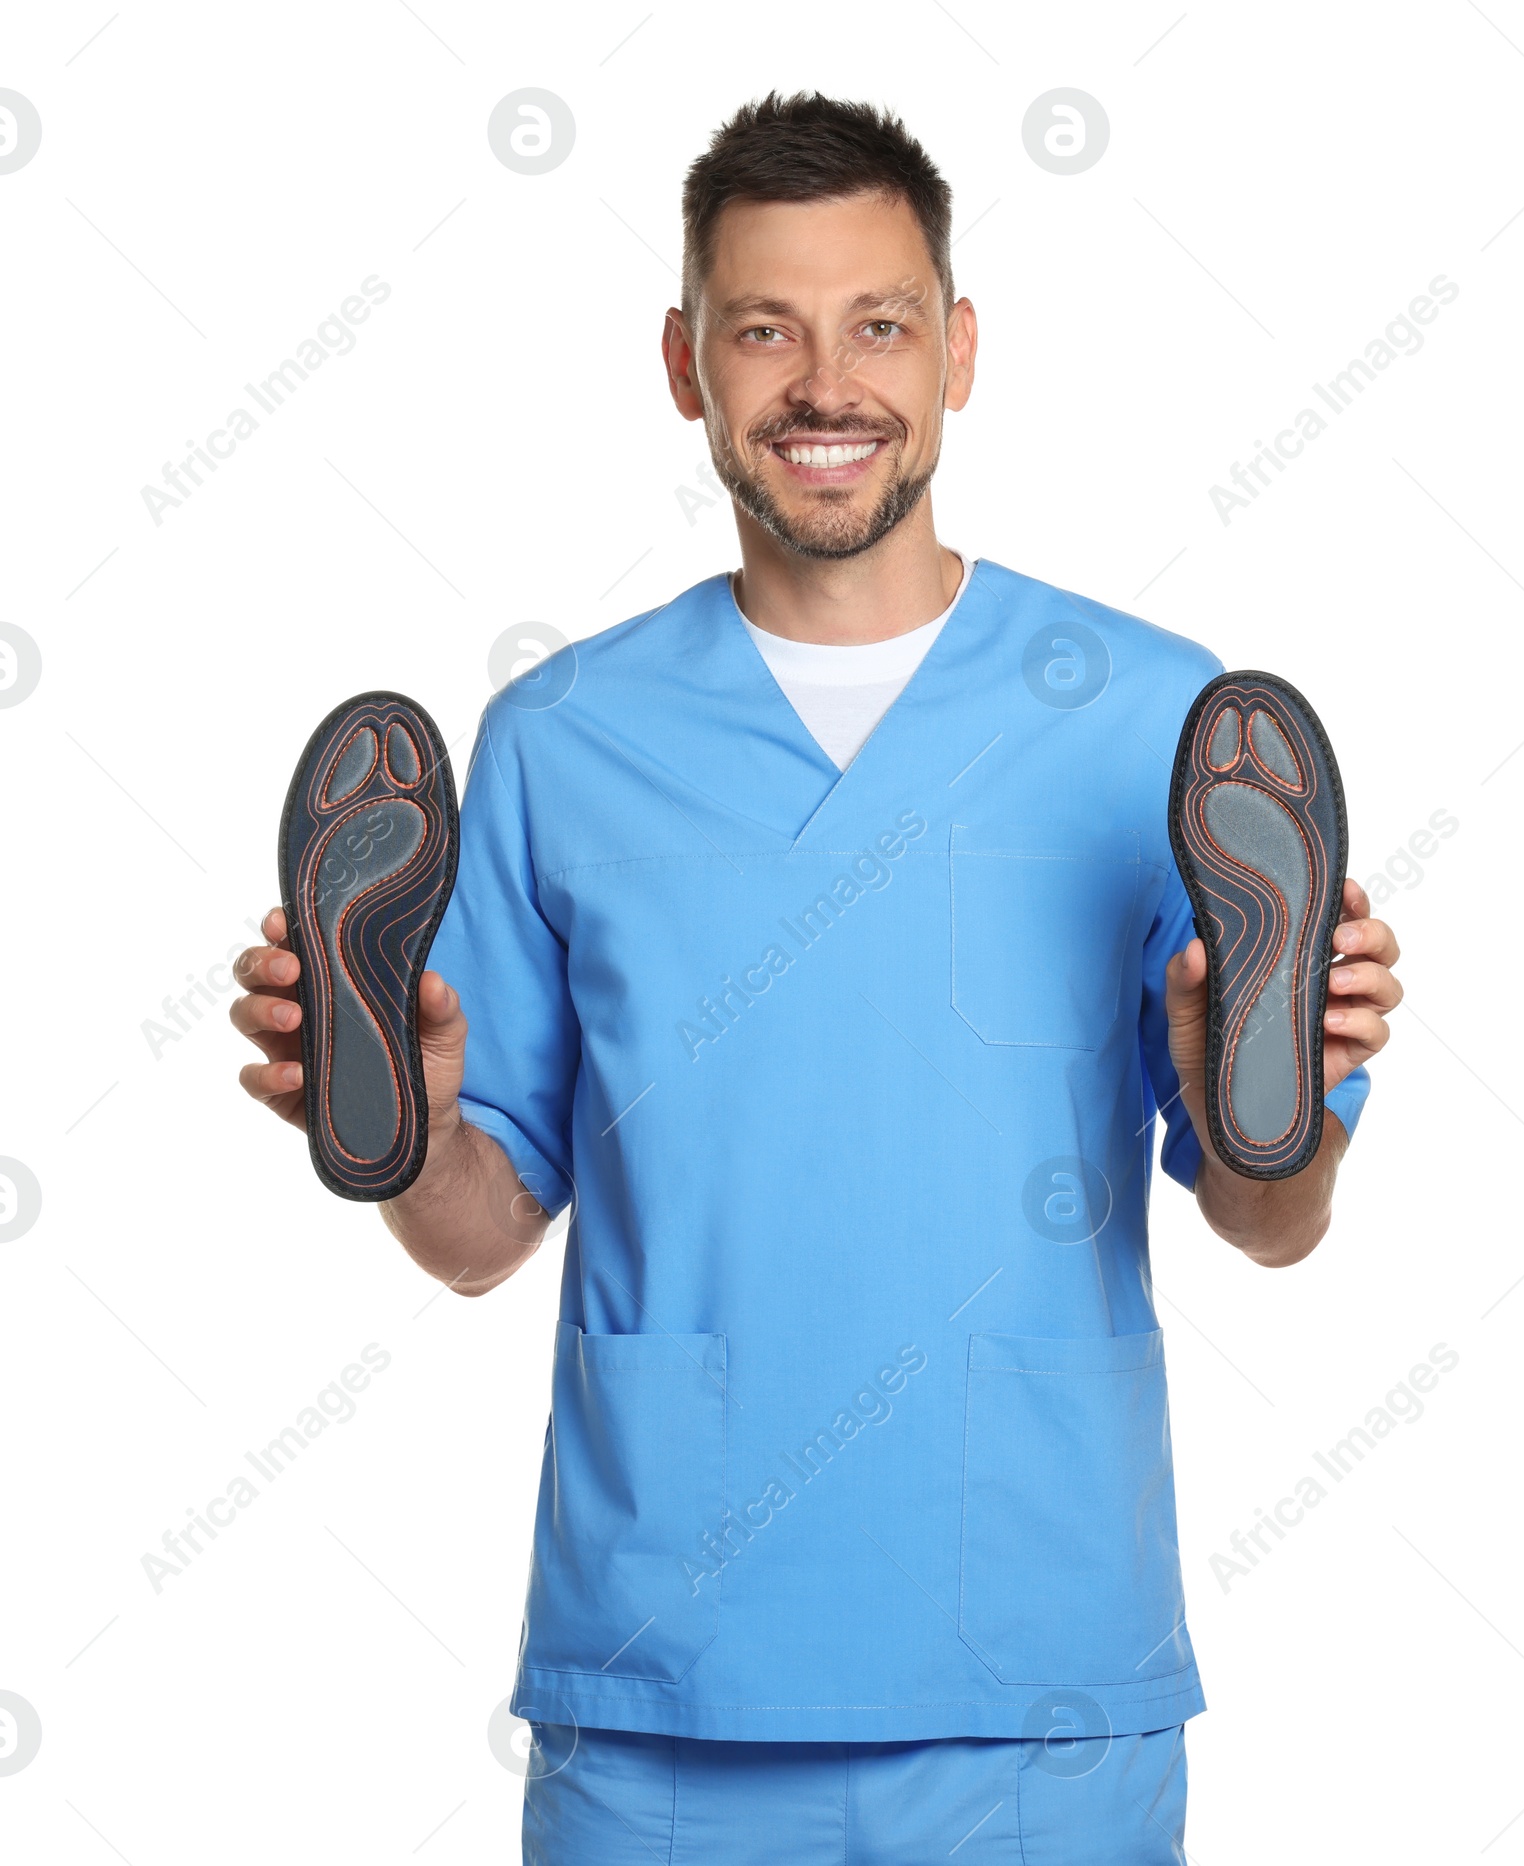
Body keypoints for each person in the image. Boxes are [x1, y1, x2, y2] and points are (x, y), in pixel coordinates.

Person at [233, 91, 1401, 1866]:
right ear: (685, 365)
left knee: (1252, 1097)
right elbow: (481, 1238)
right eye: (762, 328)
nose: (825, 382)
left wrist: (1276, 1098)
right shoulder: (564, 736)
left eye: (880, 322)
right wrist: (401, 1119)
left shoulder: (1162, 720)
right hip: (664, 1674)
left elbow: (1272, 1220)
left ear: (961, 351)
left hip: (1039, 1676)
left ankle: (1260, 1030)